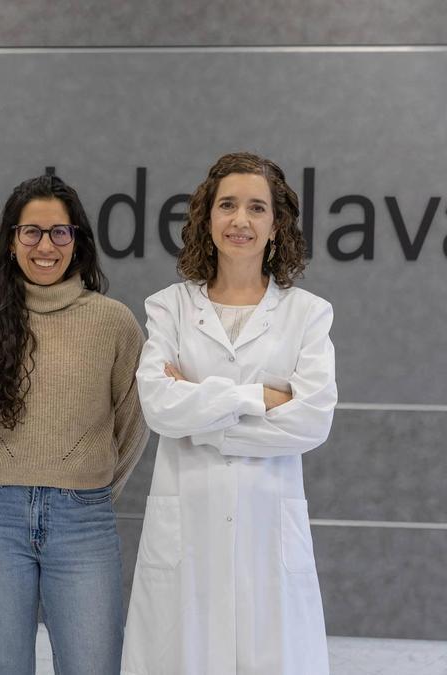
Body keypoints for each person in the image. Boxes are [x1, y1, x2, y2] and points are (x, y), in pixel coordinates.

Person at [122, 152, 337, 675]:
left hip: (268, 531)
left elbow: (312, 421)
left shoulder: (307, 314)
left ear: (276, 224)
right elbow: (159, 407)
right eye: (228, 206)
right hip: (188, 529)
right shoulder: (168, 307)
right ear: (207, 218)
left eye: (257, 208)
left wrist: (205, 416)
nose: (241, 220)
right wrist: (257, 399)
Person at [0, 174, 147, 675]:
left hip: (84, 521)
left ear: (77, 241)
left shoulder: (114, 323)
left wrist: (82, 483)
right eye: (31, 232)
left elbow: (130, 424)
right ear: (11, 241)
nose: (45, 246)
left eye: (60, 232)